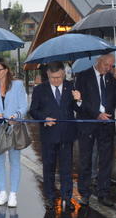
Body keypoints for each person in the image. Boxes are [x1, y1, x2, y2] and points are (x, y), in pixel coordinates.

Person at [29, 61, 81, 210]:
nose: (56, 80)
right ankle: (50, 198)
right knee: (49, 168)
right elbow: (33, 110)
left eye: (59, 77)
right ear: (48, 75)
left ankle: (67, 198)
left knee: (66, 169)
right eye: (53, 78)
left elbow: (77, 108)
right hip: (49, 135)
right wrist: (44, 118)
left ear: (64, 74)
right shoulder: (39, 90)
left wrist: (79, 100)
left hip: (67, 134)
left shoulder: (71, 87)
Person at [74, 53, 116, 207]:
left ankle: (104, 193)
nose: (108, 68)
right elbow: (78, 103)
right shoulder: (82, 76)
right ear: (98, 61)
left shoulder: (112, 78)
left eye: (111, 65)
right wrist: (96, 114)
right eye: (106, 65)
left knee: (106, 161)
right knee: (86, 160)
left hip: (106, 125)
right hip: (88, 124)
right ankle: (85, 194)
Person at [0, 58, 28, 208]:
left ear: (6, 70)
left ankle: (13, 194)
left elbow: (24, 106)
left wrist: (16, 116)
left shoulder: (17, 85)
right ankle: (2, 191)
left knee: (15, 160)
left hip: (14, 127)